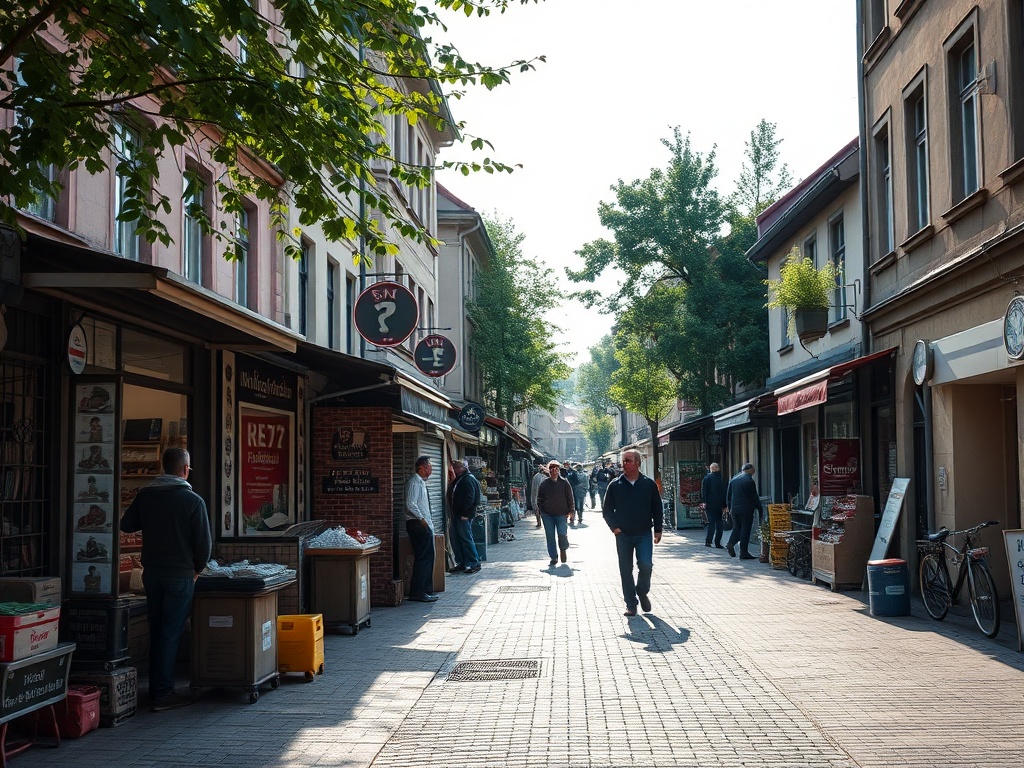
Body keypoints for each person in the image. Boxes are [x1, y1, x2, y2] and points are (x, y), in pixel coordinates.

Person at [120, 447, 212, 712]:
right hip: (180, 575)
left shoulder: (146, 495)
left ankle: (156, 689)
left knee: (157, 630)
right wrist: (196, 571)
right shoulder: (193, 501)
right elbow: (204, 546)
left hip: (152, 575)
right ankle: (162, 694)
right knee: (170, 633)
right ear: (184, 469)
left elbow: (126, 525)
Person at [602, 450, 663, 616]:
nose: (624, 464)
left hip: (644, 533)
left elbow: (657, 508)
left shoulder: (649, 484)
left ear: (637, 463)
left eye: (628, 461)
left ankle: (642, 590)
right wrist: (615, 528)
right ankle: (631, 603)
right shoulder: (615, 485)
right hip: (623, 535)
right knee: (625, 569)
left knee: (646, 564)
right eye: (623, 461)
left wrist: (658, 529)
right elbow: (607, 510)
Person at [404, 456, 437, 603]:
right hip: (417, 524)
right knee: (423, 558)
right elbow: (410, 504)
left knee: (428, 557)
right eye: (429, 466)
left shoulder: (422, 483)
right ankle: (418, 591)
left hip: (423, 524)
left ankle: (425, 589)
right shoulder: (414, 482)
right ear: (421, 467)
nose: (431, 469)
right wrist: (422, 519)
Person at [447, 458, 482, 574]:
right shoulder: (460, 479)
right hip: (457, 514)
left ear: (463, 468)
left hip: (463, 515)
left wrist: (465, 514)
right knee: (456, 539)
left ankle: (474, 563)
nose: (454, 469)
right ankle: (461, 562)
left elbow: (471, 499)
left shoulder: (468, 480)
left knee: (466, 538)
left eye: (456, 467)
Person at [537, 460, 575, 566]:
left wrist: (571, 511)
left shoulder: (564, 483)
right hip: (547, 515)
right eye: (552, 469)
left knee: (562, 534)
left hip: (561, 514)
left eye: (556, 469)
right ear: (549, 471)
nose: (554, 471)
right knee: (550, 537)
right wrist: (541, 510)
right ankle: (553, 557)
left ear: (559, 470)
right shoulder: (544, 484)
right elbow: (539, 499)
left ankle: (563, 549)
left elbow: (570, 497)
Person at [726, 462, 763, 560]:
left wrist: (730, 508)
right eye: (753, 469)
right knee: (745, 530)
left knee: (737, 528)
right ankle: (743, 552)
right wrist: (759, 508)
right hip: (746, 509)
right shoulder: (749, 480)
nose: (754, 471)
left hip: (734, 509)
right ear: (750, 470)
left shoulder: (733, 479)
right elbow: (753, 496)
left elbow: (728, 496)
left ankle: (730, 543)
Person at [700, 462, 728, 549]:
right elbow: (724, 492)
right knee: (719, 524)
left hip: (710, 504)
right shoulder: (721, 479)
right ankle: (718, 543)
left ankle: (708, 541)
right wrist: (725, 505)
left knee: (711, 523)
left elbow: (704, 491)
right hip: (719, 504)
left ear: (710, 469)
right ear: (718, 468)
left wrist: (704, 502)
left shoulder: (707, 478)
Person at [530, 464, 547, 528]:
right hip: (538, 495)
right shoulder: (537, 477)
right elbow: (534, 487)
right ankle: (539, 521)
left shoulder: (545, 476)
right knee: (538, 509)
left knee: (540, 509)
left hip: (542, 495)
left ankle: (540, 522)